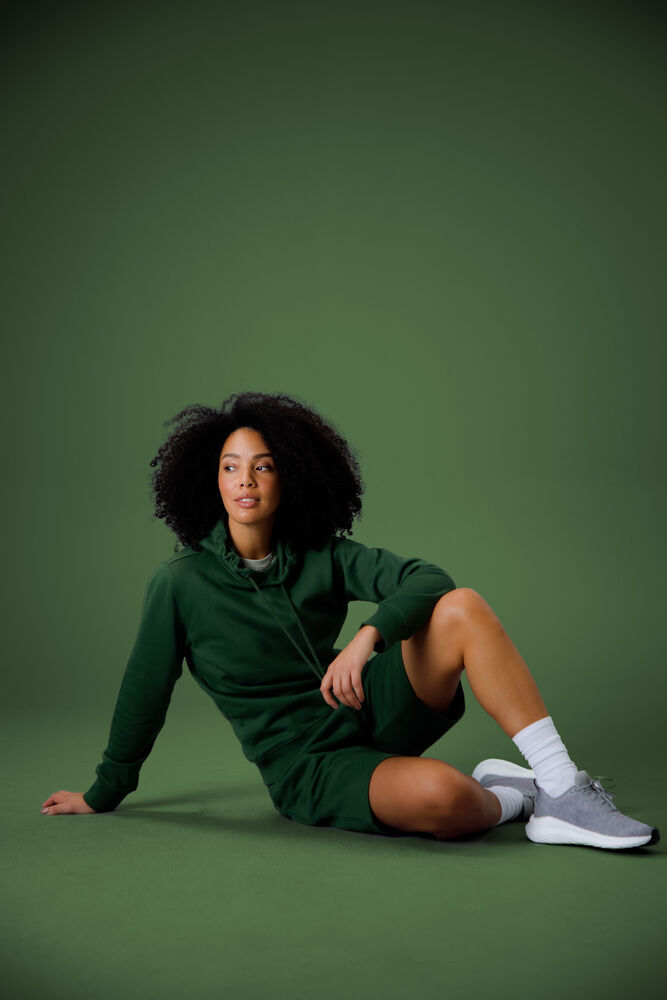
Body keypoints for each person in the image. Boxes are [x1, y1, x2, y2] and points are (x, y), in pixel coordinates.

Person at [41, 391, 658, 849]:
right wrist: (103, 791)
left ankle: (562, 786)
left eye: (263, 465)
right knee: (446, 799)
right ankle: (516, 798)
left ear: (289, 476)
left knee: (461, 607)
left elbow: (430, 580)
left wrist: (368, 637)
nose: (245, 481)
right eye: (230, 466)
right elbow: (143, 693)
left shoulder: (322, 554)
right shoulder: (179, 584)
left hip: (365, 703)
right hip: (308, 765)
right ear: (212, 480)